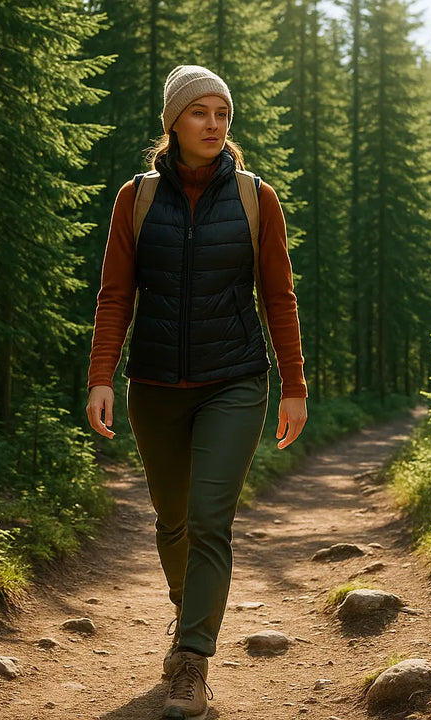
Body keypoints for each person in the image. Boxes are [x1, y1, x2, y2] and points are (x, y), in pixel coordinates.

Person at [85, 65, 308, 720]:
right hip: (154, 385)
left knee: (210, 519)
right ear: (173, 122)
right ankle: (191, 610)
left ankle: (191, 661)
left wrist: (293, 384)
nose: (214, 124)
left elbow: (279, 296)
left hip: (235, 381)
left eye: (222, 113)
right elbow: (116, 294)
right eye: (199, 113)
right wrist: (101, 376)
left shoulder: (254, 197)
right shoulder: (137, 198)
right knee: (173, 519)